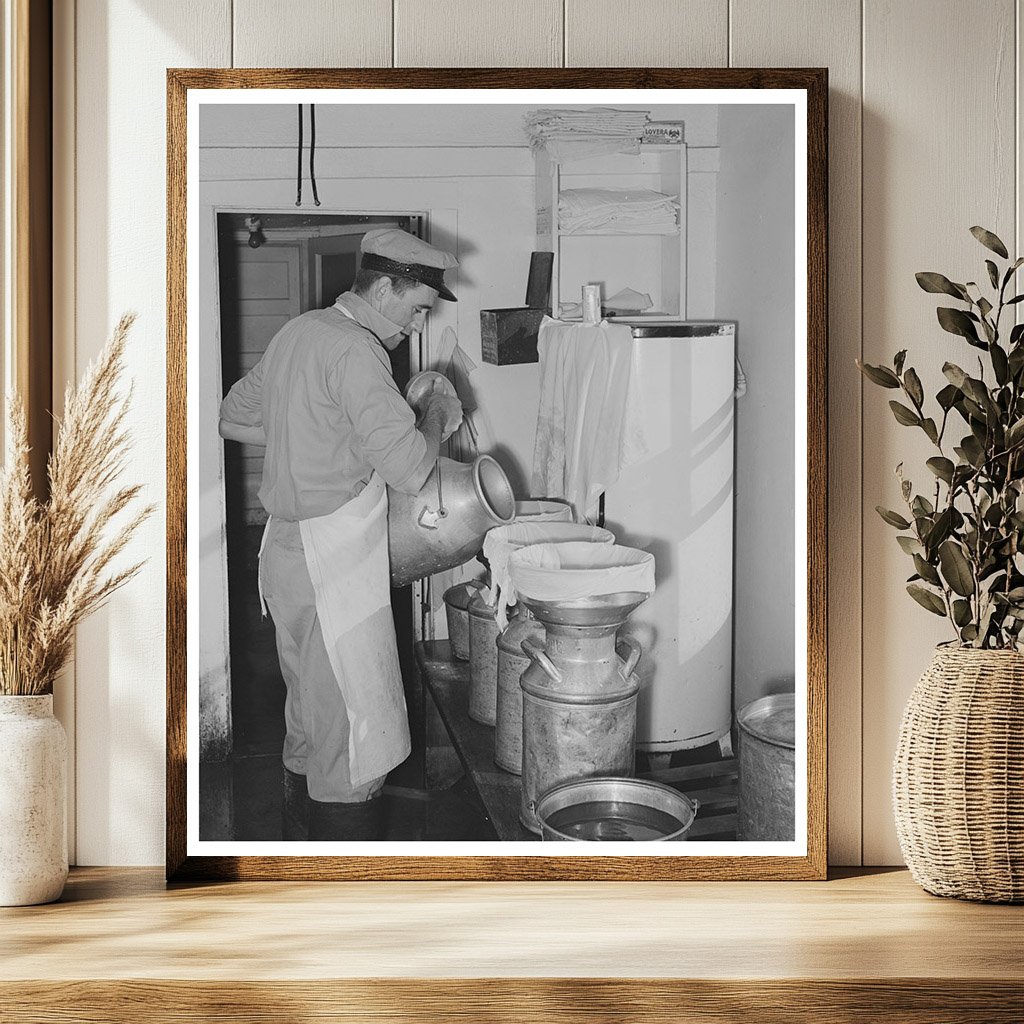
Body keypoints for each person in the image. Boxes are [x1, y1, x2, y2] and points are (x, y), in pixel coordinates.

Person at [218, 228, 463, 842]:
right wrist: (436, 410)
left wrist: (320, 437)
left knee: (307, 711)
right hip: (332, 561)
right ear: (384, 286)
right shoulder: (357, 351)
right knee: (348, 730)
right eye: (415, 308)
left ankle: (294, 855)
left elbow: (234, 417)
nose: (413, 324)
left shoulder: (298, 331)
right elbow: (409, 467)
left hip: (282, 553)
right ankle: (338, 887)